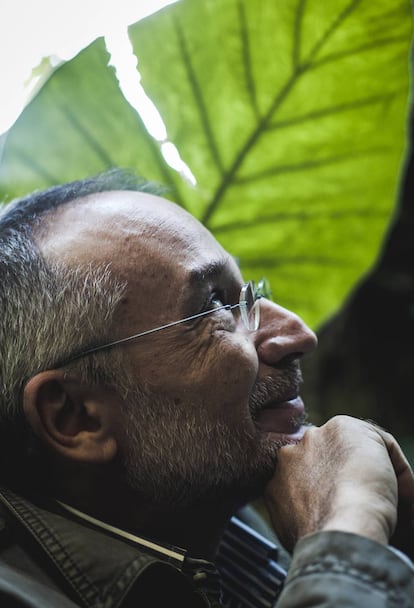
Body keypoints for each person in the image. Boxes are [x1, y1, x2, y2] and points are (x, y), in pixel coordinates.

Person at [0, 168, 413, 608]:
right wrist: (346, 535)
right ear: (76, 417)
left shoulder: (206, 524)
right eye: (214, 307)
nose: (297, 333)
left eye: (249, 297)